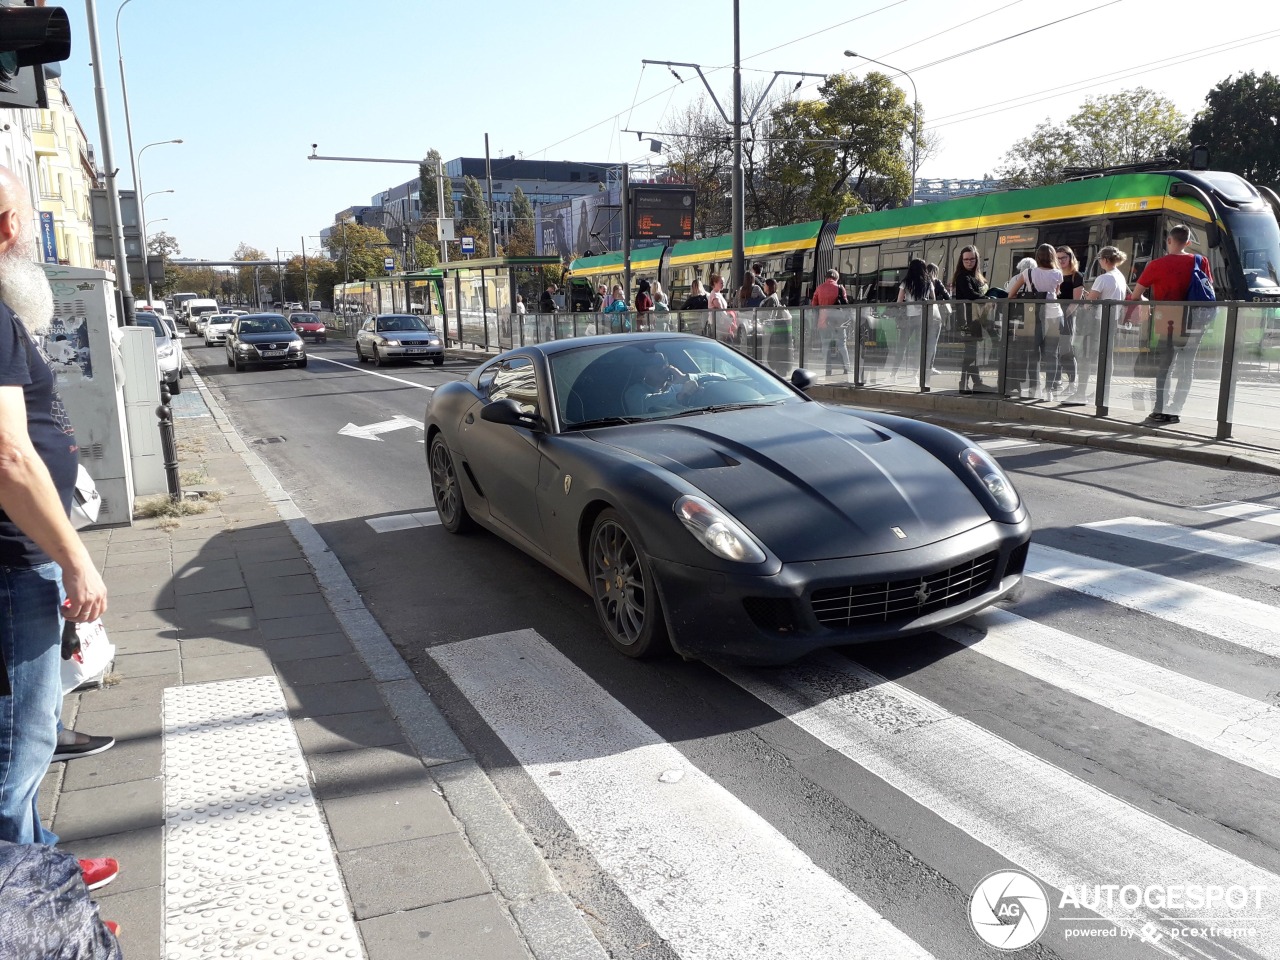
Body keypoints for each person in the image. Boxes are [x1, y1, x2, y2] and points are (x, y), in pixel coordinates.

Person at [0, 163, 120, 914]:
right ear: (8, 226)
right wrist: (76, 561)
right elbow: (9, 455)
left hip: (14, 559)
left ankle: (48, 880)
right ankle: (31, 921)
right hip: (13, 563)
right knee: (18, 749)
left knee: (25, 743)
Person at [1128, 224, 1213, 424]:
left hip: (1168, 321)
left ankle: (1159, 409)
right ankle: (1176, 409)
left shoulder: (1156, 265)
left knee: (1166, 366)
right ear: (1189, 243)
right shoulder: (1201, 261)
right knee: (1187, 366)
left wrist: (1145, 303)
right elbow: (1208, 289)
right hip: (1195, 321)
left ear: (1169, 240)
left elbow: (1135, 295)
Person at [1006, 245, 1064, 400]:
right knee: (1052, 355)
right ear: (1053, 257)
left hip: (1033, 316)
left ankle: (1033, 388)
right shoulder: (1058, 274)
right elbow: (1057, 292)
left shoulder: (1027, 273)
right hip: (1054, 316)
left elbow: (1011, 294)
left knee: (1033, 353)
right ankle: (1049, 391)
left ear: (1037, 257)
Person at [1078, 245, 1130, 406]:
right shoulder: (1120, 276)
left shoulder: (1103, 278)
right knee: (1107, 356)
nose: (1099, 262)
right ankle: (1104, 388)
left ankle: (1082, 391)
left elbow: (1090, 302)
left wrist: (1086, 298)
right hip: (1113, 319)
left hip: (1100, 320)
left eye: (1100, 259)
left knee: (1087, 355)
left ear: (1105, 260)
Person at [951, 245, 989, 392]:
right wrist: (988, 298)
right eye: (965, 259)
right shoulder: (962, 276)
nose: (969, 262)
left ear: (976, 259)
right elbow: (970, 294)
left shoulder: (977, 276)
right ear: (962, 260)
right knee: (970, 352)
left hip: (975, 320)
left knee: (973, 352)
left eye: (972, 259)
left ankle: (976, 382)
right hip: (966, 321)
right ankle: (963, 383)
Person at [621, 350, 698, 415]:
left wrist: (685, 378)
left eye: (664, 363)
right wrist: (679, 396)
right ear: (644, 371)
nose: (662, 368)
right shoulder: (634, 392)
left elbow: (709, 376)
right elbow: (647, 402)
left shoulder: (677, 388)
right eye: (656, 364)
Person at [892, 259, 934, 379]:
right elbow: (933, 299)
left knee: (902, 346)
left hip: (909, 319)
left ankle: (893, 373)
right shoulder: (928, 282)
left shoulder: (906, 282)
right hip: (923, 318)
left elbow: (899, 301)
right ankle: (915, 374)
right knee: (919, 347)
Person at [811, 268, 849, 376]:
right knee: (842, 345)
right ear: (836, 278)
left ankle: (828, 370)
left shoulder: (819, 288)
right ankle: (847, 367)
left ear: (826, 277)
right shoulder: (840, 288)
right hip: (838, 322)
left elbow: (814, 305)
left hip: (823, 322)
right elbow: (845, 304)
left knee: (825, 346)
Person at [760, 278, 793, 375]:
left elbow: (768, 316)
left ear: (769, 286)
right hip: (771, 330)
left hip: (770, 331)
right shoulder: (772, 297)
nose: (763, 287)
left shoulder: (771, 299)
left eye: (765, 285)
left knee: (769, 353)